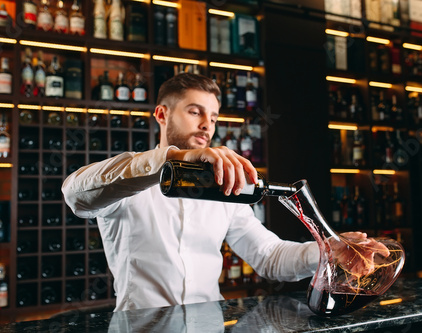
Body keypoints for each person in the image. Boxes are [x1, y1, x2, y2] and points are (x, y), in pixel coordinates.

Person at [62, 73, 386, 311]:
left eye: (213, 117)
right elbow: (76, 193)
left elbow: (269, 257)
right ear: (161, 114)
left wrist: (328, 250)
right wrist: (172, 158)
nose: (207, 125)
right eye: (194, 111)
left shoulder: (226, 190)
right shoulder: (129, 178)